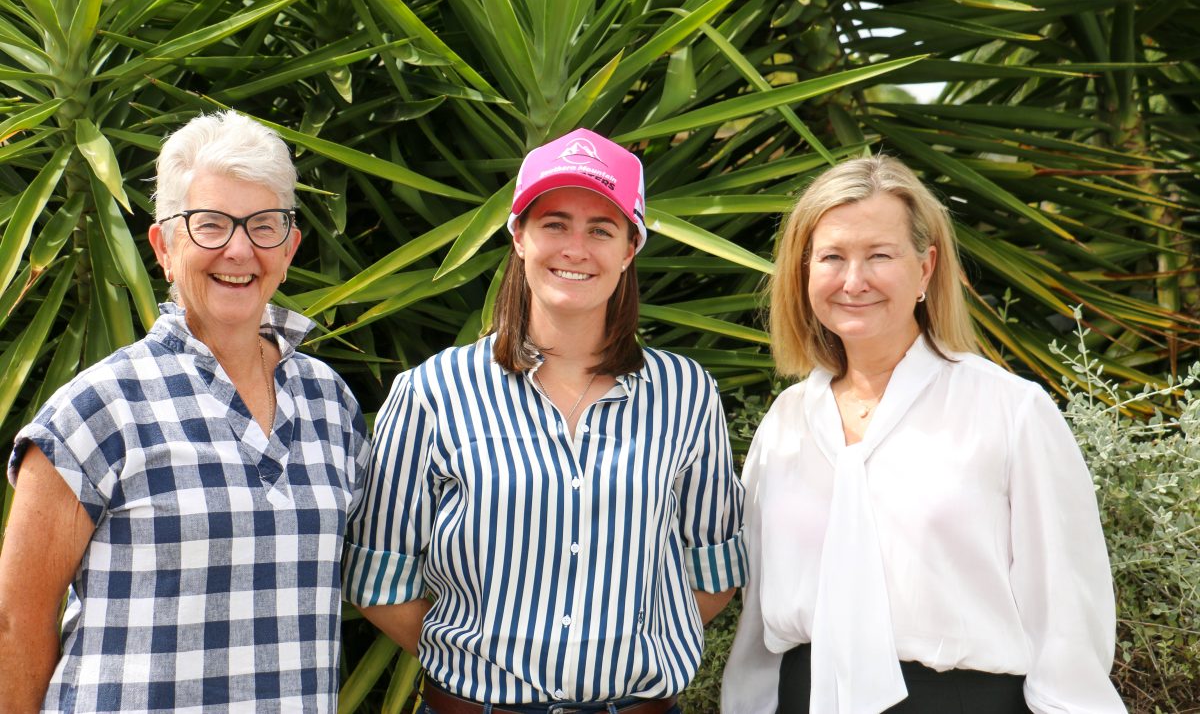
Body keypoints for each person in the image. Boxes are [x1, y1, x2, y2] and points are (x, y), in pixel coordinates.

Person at [343, 128, 747, 713]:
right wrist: (482, 672)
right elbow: (379, 581)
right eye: (554, 223)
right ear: (518, 237)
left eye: (601, 229)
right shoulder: (432, 393)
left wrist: (628, 657)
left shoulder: (686, 393)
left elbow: (715, 567)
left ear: (631, 247)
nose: (575, 249)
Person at [721, 155, 1125, 714]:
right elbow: (759, 618)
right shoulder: (786, 422)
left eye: (879, 255)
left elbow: (1066, 622)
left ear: (926, 267)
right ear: (804, 271)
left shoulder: (1011, 412)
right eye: (832, 257)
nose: (853, 280)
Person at [0, 111, 369, 713]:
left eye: (264, 225)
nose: (240, 248)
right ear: (164, 246)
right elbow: (14, 624)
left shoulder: (329, 403)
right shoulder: (101, 409)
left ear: (290, 245)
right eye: (211, 225)